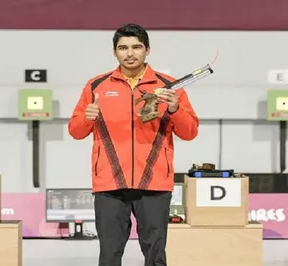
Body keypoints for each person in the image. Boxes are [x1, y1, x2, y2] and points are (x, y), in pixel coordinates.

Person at [68, 23, 199, 266]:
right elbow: (75, 132)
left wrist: (174, 109)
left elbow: (190, 132)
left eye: (136, 47)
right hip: (109, 184)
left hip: (155, 184)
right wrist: (87, 117)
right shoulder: (97, 85)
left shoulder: (168, 86)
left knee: (155, 256)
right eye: (123, 48)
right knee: (109, 255)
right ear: (114, 52)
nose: (130, 53)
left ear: (147, 50)